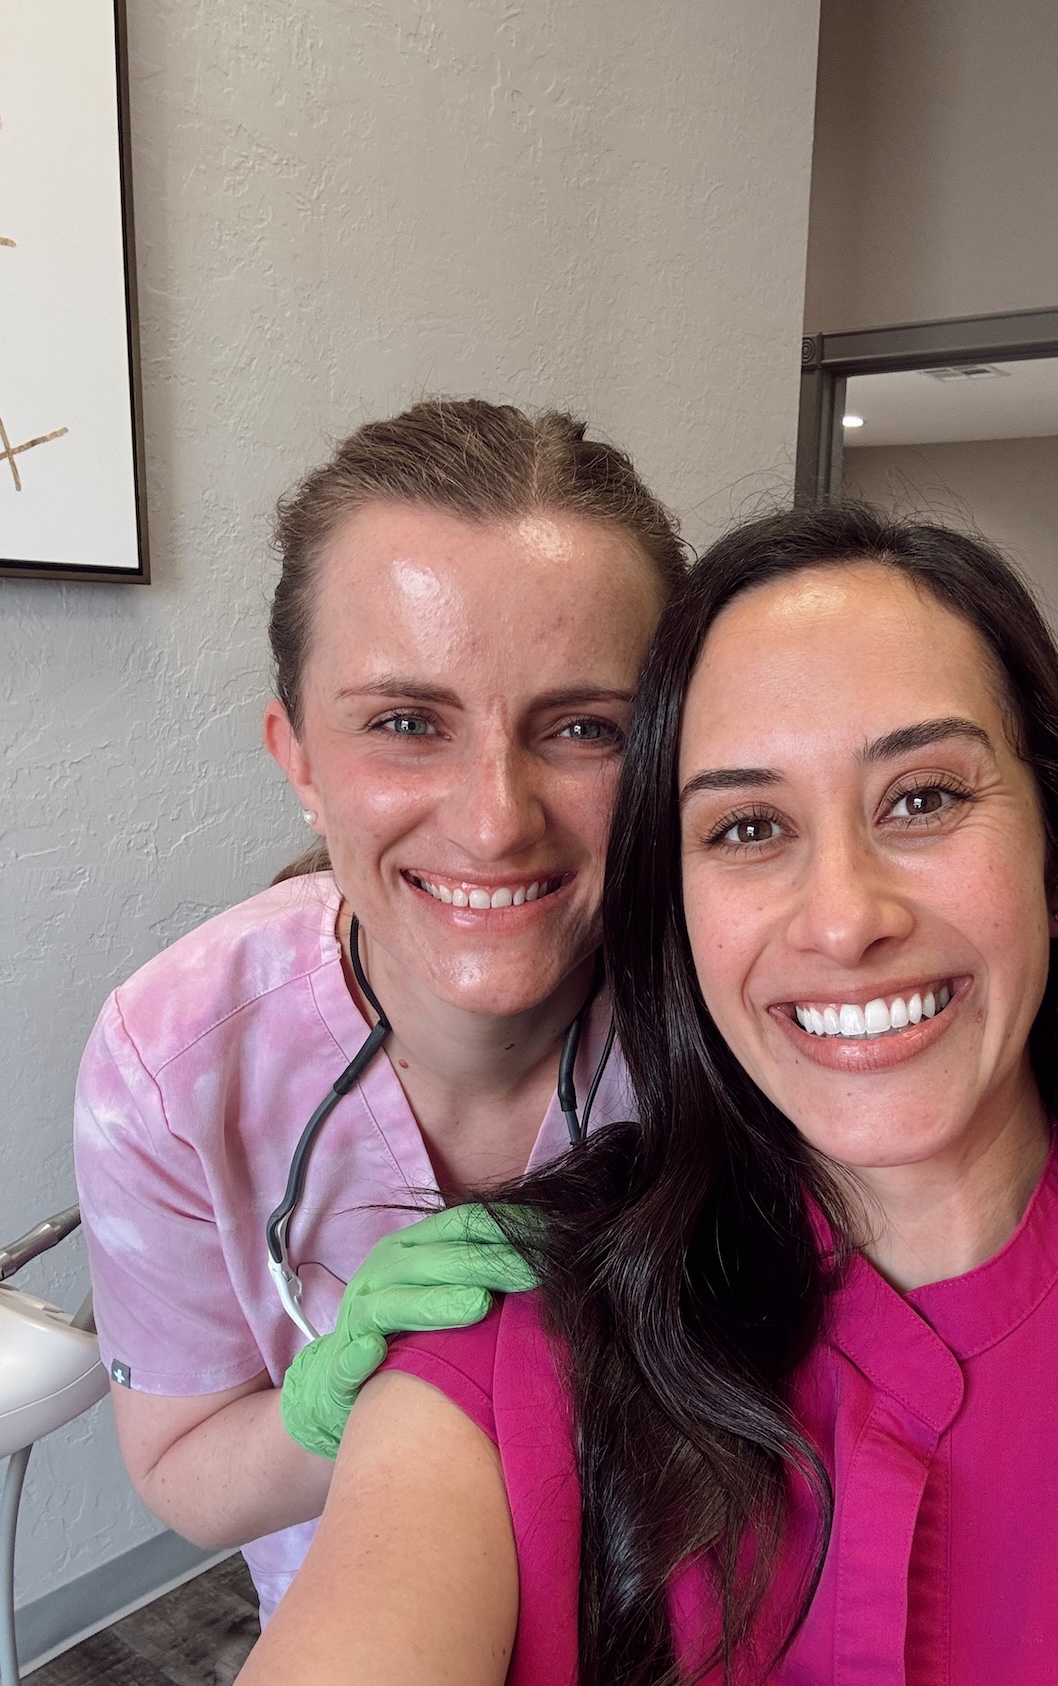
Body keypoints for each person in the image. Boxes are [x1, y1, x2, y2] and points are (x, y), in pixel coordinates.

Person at [76, 505, 1058, 1686]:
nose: (841, 916)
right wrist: (328, 1405)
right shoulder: (497, 1355)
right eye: (747, 825)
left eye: (924, 798)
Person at [73, 398, 684, 1619]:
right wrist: (332, 1401)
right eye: (407, 724)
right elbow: (185, 1469)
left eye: (584, 728)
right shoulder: (171, 1059)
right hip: (361, 1632)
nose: (495, 817)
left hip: (682, 1622)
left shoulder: (733, 1005)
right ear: (296, 755)